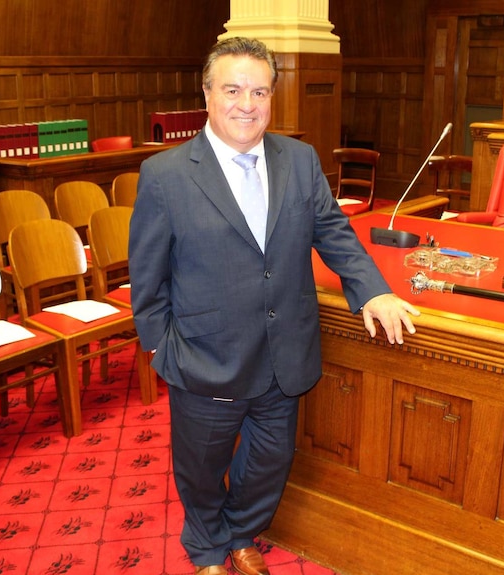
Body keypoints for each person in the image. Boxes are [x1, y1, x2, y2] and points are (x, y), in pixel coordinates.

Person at [128, 36, 420, 575]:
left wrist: (373, 289)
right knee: (200, 467)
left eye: (259, 91)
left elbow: (333, 231)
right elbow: (147, 279)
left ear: (272, 97)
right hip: (204, 356)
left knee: (269, 461)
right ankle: (209, 548)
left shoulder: (300, 159)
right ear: (208, 95)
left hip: (284, 351)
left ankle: (241, 534)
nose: (247, 103)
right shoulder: (165, 175)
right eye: (233, 89)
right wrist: (160, 350)